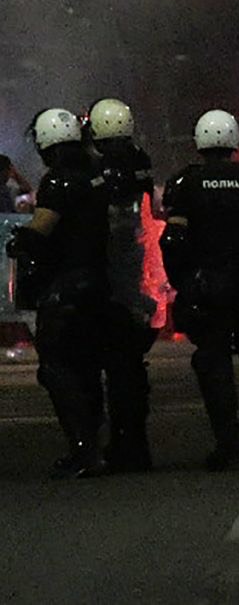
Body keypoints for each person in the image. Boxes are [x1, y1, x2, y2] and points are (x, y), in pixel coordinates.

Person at [162, 110, 239, 471]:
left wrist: (183, 281)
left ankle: (228, 445)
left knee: (214, 365)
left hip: (209, 285)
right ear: (234, 140)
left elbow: (173, 238)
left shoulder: (187, 182)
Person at [5, 109, 114, 477]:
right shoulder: (96, 174)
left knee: (58, 369)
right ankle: (97, 446)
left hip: (67, 287)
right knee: (87, 367)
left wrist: (19, 241)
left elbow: (41, 231)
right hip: (98, 281)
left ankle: (83, 450)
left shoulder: (58, 182)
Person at [86, 97, 159, 471]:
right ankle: (135, 443)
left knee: (113, 367)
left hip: (110, 274)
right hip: (139, 271)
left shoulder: (97, 169)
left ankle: (120, 444)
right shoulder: (140, 162)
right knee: (130, 366)